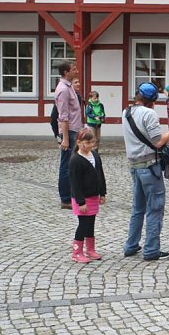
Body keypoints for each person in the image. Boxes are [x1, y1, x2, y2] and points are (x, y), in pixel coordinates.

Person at [122, 82, 169, 262]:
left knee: (137, 208)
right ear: (152, 100)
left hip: (134, 165)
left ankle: (131, 245)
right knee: (155, 208)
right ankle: (151, 249)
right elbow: (158, 142)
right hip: (150, 166)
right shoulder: (149, 114)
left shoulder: (126, 112)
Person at [69, 127, 107, 263]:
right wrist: (81, 201)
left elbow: (100, 175)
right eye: (88, 142)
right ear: (79, 142)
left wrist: (102, 193)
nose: (91, 145)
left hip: (93, 197)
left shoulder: (95, 156)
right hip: (82, 199)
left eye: (93, 142)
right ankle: (77, 252)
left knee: (91, 223)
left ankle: (90, 249)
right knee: (83, 224)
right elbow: (75, 183)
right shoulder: (75, 160)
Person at [55, 61, 83, 209]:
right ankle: (65, 199)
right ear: (66, 72)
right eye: (74, 69)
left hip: (75, 130)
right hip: (69, 132)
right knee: (66, 166)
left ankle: (72, 194)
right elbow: (63, 116)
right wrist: (65, 138)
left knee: (73, 165)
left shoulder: (69, 86)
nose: (76, 71)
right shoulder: (63, 90)